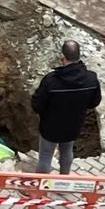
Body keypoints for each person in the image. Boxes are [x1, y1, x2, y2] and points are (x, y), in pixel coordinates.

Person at [31, 40, 101, 174]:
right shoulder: (91, 79)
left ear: (62, 57)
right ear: (79, 56)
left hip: (50, 127)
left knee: (45, 157)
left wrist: (44, 113)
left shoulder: (51, 81)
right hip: (73, 125)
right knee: (67, 151)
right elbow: (94, 102)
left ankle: (41, 187)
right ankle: (64, 180)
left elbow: (37, 105)